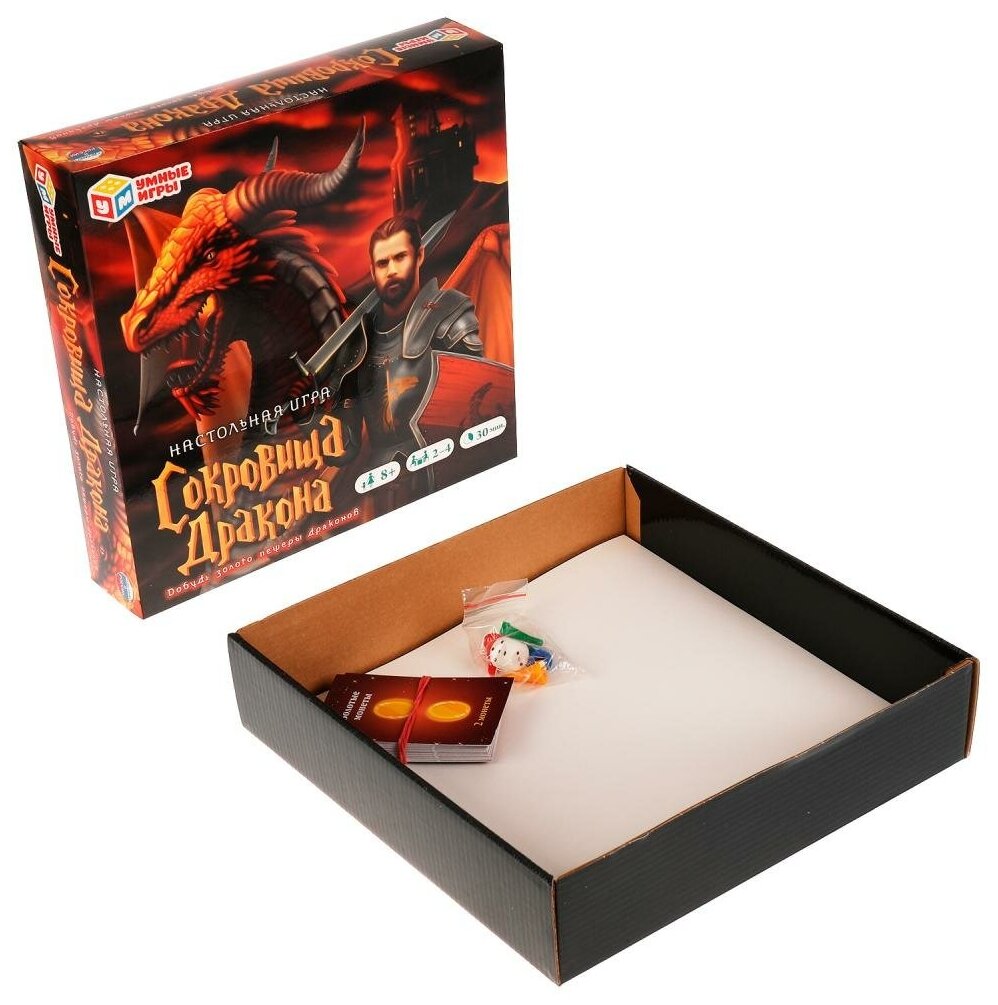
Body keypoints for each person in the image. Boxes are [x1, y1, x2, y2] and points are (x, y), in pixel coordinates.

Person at [336, 215, 483, 493]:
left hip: (443, 470)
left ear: (419, 256)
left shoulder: (448, 315)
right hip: (380, 485)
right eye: (382, 263)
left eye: (400, 257)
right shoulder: (358, 343)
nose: (391, 270)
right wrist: (308, 418)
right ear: (372, 271)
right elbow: (345, 447)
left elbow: (478, 404)